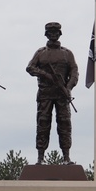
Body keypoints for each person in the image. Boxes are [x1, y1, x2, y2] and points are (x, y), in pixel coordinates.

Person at [26, 22, 79, 164]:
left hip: (62, 95)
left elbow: (74, 72)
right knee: (43, 124)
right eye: (51, 32)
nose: (53, 34)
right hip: (45, 94)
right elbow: (30, 68)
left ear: (60, 33)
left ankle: (66, 157)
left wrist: (68, 87)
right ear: (47, 34)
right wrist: (45, 75)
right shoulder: (40, 53)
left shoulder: (67, 54)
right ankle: (40, 157)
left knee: (65, 124)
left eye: (56, 32)